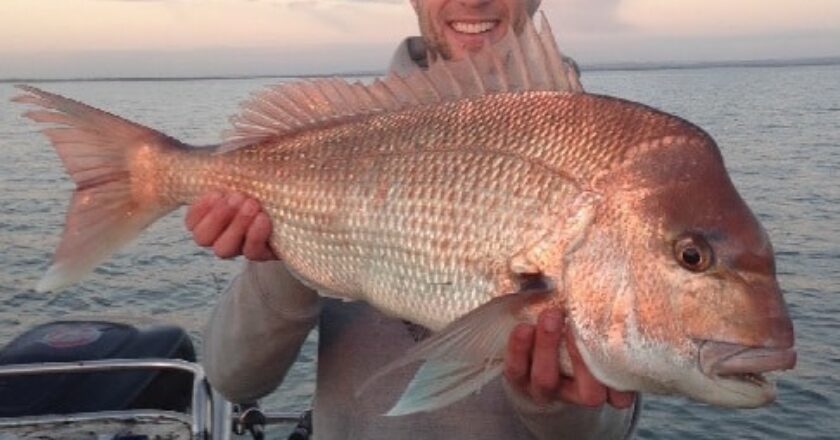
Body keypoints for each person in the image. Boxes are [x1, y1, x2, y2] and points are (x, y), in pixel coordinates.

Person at [190, 1, 639, 438]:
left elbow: (616, 421)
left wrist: (558, 405)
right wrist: (289, 247)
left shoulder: (605, 157)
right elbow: (235, 379)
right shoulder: (336, 138)